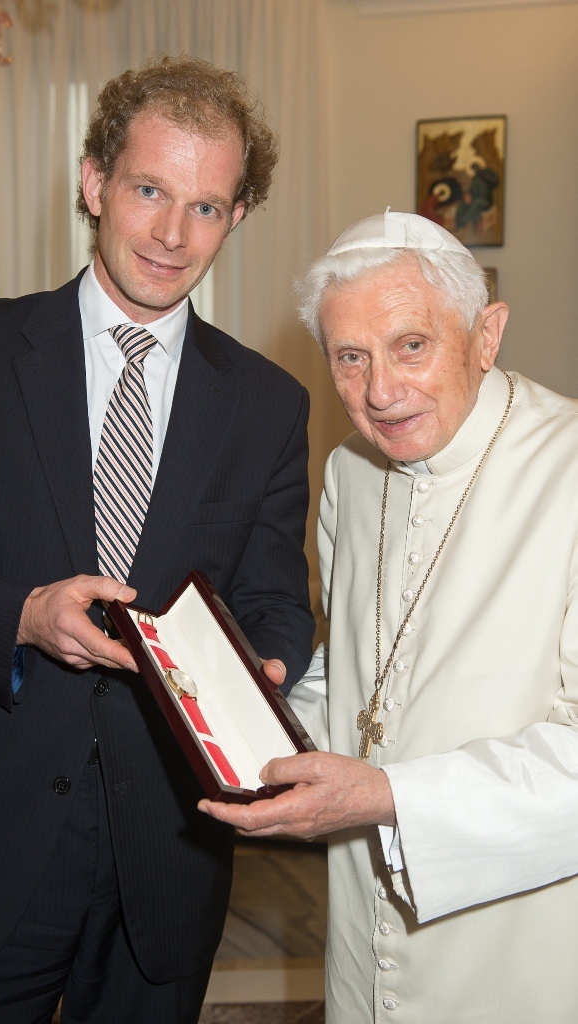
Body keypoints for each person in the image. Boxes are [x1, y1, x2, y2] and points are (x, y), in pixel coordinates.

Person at [0, 56, 315, 1024]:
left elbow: (272, 600)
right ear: (93, 182)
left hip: (169, 851)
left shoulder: (266, 403)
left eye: (206, 206)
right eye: (148, 190)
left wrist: (262, 665)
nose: (173, 234)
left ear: (237, 217)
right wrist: (20, 616)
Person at [200, 210, 578, 1024]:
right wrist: (253, 736)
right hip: (361, 926)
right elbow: (359, 664)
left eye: (412, 345)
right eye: (349, 357)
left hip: (523, 943)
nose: (379, 391)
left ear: (487, 334)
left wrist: (387, 799)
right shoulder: (349, 472)